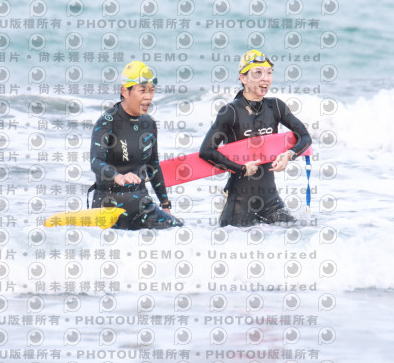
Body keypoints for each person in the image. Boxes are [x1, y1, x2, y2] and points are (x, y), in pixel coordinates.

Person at [199, 49, 312, 227]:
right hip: (240, 204)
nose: (265, 78)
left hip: (271, 202)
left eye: (269, 73)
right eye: (258, 73)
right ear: (243, 78)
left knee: (301, 233)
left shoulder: (276, 107)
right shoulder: (230, 111)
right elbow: (206, 151)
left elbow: (305, 136)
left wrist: (289, 155)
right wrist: (241, 169)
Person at [89, 60, 182, 230]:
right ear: (124, 91)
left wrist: (165, 205)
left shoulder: (149, 123)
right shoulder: (107, 122)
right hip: (109, 205)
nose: (148, 97)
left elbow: (153, 165)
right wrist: (118, 176)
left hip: (141, 205)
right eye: (142, 90)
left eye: (151, 91)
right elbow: (95, 161)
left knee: (177, 229)